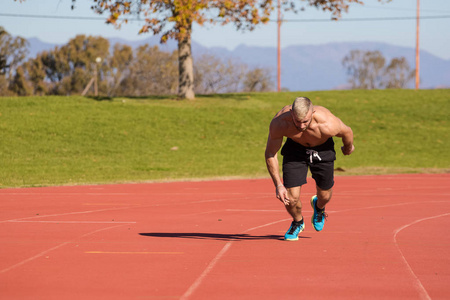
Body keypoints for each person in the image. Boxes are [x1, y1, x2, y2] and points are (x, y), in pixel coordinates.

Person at [265, 96, 354, 241]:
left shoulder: (327, 123)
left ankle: (319, 207)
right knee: (290, 198)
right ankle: (297, 222)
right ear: (291, 113)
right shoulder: (280, 122)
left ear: (312, 113)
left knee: (325, 195)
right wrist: (278, 185)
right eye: (297, 121)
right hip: (295, 150)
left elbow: (347, 132)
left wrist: (348, 147)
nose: (301, 126)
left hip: (323, 148)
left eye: (305, 121)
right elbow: (270, 153)